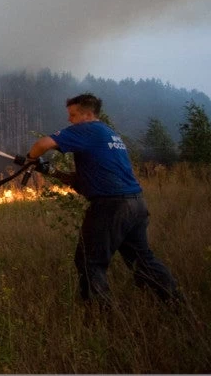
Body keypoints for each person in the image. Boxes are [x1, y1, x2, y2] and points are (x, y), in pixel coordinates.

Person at [24, 93, 182, 305]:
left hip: (111, 207)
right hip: (135, 204)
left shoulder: (87, 129)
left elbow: (43, 143)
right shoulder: (109, 134)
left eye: (73, 115)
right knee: (142, 261)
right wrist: (50, 170)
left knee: (90, 262)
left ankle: (100, 314)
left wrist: (30, 158)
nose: (69, 120)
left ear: (87, 114)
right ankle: (177, 304)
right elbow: (87, 180)